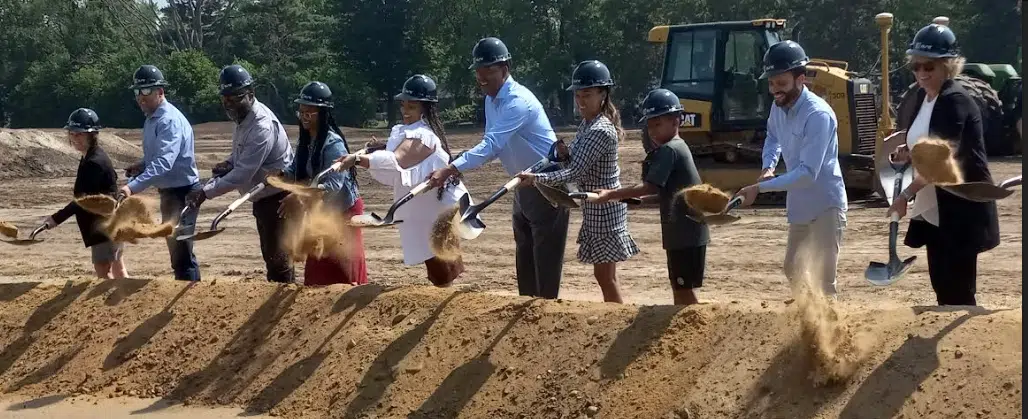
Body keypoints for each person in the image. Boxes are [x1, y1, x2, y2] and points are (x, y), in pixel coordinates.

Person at [425, 37, 570, 299]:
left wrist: (450, 169)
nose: (482, 78)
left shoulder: (517, 101)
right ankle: (525, 306)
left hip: (547, 183)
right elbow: (494, 147)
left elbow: (491, 145)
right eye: (479, 72)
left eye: (488, 71)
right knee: (524, 249)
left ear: (505, 68)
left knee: (545, 255)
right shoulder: (492, 101)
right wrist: (456, 165)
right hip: (522, 182)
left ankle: (546, 310)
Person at [889, 24, 999, 306]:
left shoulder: (954, 100)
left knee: (958, 292)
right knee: (942, 286)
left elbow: (940, 160)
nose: (922, 73)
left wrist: (904, 195)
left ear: (948, 66)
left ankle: (966, 348)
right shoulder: (924, 98)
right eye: (916, 66)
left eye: (930, 66)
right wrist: (909, 151)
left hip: (960, 207)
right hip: (937, 208)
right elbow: (928, 144)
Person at [516, 60, 639, 303]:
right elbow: (578, 160)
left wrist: (536, 179)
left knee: (606, 277)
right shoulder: (588, 124)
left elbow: (575, 173)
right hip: (597, 207)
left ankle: (618, 320)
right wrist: (566, 153)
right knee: (604, 275)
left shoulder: (600, 130)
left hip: (605, 209)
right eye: (578, 95)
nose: (581, 102)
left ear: (603, 95)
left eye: (588, 95)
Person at [733, 40, 848, 299]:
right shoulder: (778, 106)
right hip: (799, 205)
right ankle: (809, 321)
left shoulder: (818, 115)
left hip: (826, 206)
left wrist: (759, 188)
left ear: (800, 78)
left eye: (781, 83)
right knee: (792, 268)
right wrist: (768, 166)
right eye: (771, 83)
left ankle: (831, 334)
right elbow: (773, 137)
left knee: (824, 282)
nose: (775, 90)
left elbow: (808, 173)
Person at [336, 74, 469, 287]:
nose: (405, 111)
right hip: (422, 207)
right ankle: (444, 299)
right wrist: (379, 147)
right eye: (403, 105)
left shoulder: (425, 136)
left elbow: (398, 159)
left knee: (440, 260)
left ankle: (447, 306)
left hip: (437, 208)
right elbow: (396, 152)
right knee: (433, 258)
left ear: (425, 108)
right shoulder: (410, 131)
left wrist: (359, 159)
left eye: (412, 107)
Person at [589, 88, 709, 306]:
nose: (652, 131)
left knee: (683, 292)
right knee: (681, 287)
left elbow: (648, 186)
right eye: (650, 125)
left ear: (676, 121)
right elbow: (667, 193)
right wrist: (640, 202)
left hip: (684, 233)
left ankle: (696, 331)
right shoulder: (678, 147)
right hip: (686, 232)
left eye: (658, 124)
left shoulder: (669, 150)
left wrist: (610, 194)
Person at [187, 64, 295, 283]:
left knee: (278, 260)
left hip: (277, 199)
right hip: (262, 196)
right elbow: (242, 155)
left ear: (250, 94)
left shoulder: (261, 126)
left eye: (235, 98)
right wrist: (229, 162)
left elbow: (243, 174)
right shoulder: (242, 118)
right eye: (225, 98)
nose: (229, 104)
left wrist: (205, 193)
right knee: (271, 254)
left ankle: (281, 304)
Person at [279, 81, 368, 286]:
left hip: (343, 210)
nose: (304, 118)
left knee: (344, 265)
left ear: (322, 114)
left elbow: (333, 186)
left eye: (309, 113)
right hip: (320, 211)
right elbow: (295, 168)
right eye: (301, 112)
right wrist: (280, 176)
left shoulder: (333, 143)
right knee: (318, 266)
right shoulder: (305, 140)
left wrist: (300, 196)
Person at [120, 64, 202, 281]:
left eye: (146, 91)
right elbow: (158, 157)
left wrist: (132, 187)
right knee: (176, 249)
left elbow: (165, 162)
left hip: (184, 192)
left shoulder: (168, 121)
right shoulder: (152, 118)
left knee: (181, 249)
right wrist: (142, 164)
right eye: (137, 91)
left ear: (160, 92)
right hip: (169, 192)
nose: (140, 97)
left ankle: (190, 297)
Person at [44, 108, 128, 279]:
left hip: (102, 225)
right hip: (109, 222)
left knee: (104, 273)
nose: (75, 138)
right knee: (118, 268)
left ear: (92, 135)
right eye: (72, 134)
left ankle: (116, 304)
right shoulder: (91, 156)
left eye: (80, 134)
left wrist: (56, 218)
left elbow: (82, 201)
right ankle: (129, 303)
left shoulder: (94, 162)